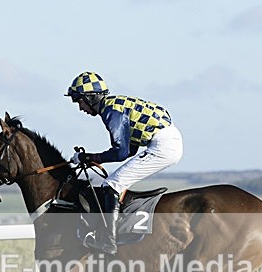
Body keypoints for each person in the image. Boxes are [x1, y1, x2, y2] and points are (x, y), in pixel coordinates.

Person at [65, 71, 183, 255]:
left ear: (91, 98)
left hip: (163, 145)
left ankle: (108, 241)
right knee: (115, 181)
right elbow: (129, 150)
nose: (80, 107)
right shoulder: (116, 104)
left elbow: (120, 152)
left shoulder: (110, 111)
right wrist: (92, 158)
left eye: (79, 100)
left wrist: (89, 158)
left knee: (111, 184)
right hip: (167, 140)